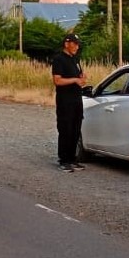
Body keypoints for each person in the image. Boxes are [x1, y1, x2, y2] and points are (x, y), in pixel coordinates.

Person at [52, 33, 87, 173]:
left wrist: (82, 78)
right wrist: (74, 80)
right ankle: (64, 160)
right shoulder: (59, 59)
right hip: (65, 101)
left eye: (78, 44)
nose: (77, 47)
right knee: (65, 129)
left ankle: (72, 158)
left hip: (77, 99)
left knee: (76, 129)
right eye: (74, 44)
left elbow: (78, 75)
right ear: (67, 44)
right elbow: (57, 80)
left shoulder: (75, 59)